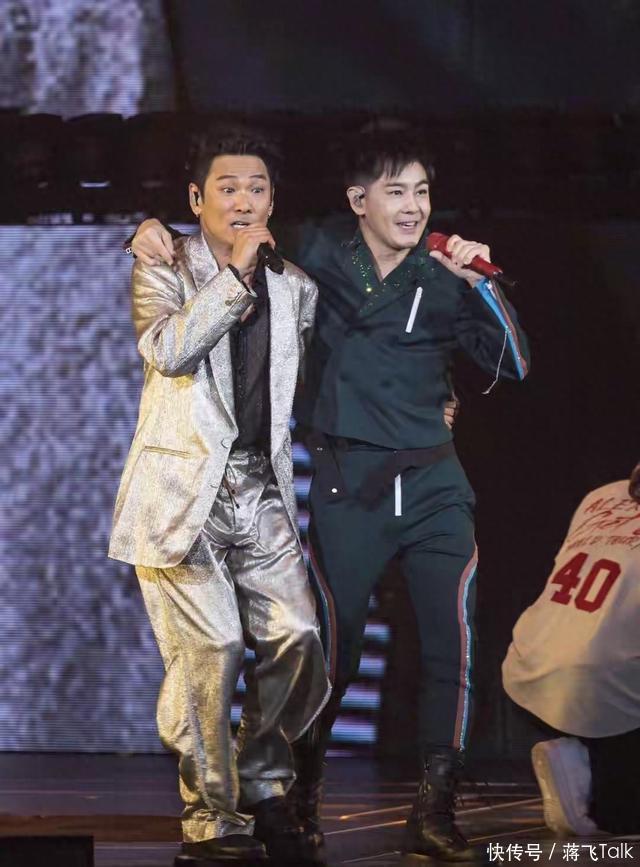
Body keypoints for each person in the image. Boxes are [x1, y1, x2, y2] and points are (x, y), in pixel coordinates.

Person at [130, 125, 530, 864]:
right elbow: (185, 316)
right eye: (395, 191)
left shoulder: (396, 273)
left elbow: (507, 360)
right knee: (271, 649)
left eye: (422, 192)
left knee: (379, 643)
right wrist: (148, 229)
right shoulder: (280, 260)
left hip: (372, 485)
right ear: (357, 200)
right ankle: (255, 801)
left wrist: (481, 286)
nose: (412, 206)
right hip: (271, 488)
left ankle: (405, 804)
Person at [109, 124, 330, 865]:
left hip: (259, 489)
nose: (243, 201)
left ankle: (261, 779)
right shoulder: (162, 264)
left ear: (272, 200)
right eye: (228, 188)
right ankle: (210, 814)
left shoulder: (296, 286)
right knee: (214, 647)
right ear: (196, 199)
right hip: (182, 494)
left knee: (299, 636)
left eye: (256, 188)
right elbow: (169, 350)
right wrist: (231, 276)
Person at [503, 463, 640, 837]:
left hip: (528, 671)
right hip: (606, 694)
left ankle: (582, 760)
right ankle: (592, 777)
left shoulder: (602, 496)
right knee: (625, 820)